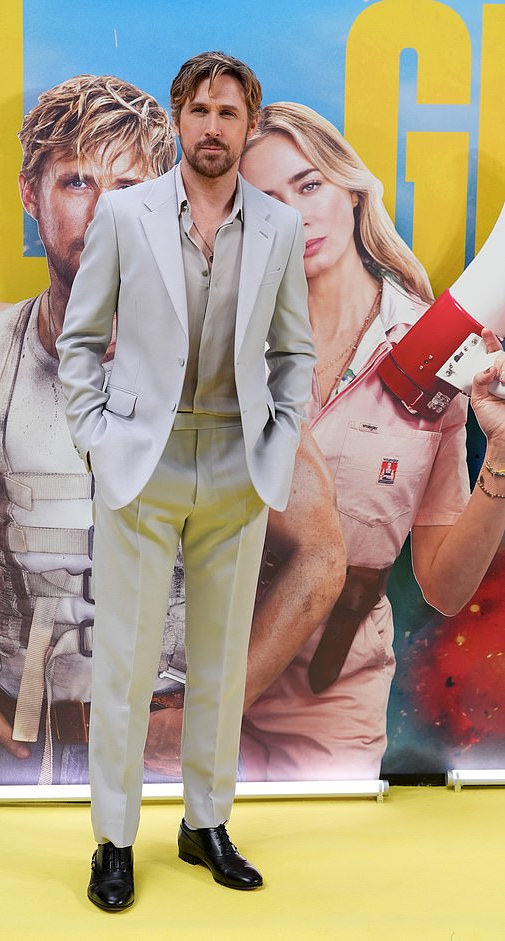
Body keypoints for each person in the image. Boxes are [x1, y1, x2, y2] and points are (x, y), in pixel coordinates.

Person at [56, 52, 315, 911]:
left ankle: (206, 823)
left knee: (218, 665)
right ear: (178, 117)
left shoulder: (278, 227)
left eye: (229, 113)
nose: (212, 126)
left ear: (251, 126)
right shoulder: (125, 215)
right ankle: (114, 838)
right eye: (199, 109)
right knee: (127, 663)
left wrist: (275, 443)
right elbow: (81, 339)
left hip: (237, 464)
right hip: (142, 462)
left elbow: (293, 353)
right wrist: (98, 441)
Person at [0, 75, 178, 789]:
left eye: (129, 187)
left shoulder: (222, 361)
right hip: (22, 733)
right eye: (77, 182)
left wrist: (230, 700)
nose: (104, 213)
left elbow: (307, 555)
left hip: (172, 731)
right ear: (31, 194)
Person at [238, 102, 505, 781]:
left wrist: (500, 456)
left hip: (330, 716)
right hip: (195, 687)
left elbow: (444, 587)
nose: (293, 217)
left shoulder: (436, 352)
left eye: (308, 185)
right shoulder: (221, 340)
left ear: (352, 190)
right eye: (266, 202)